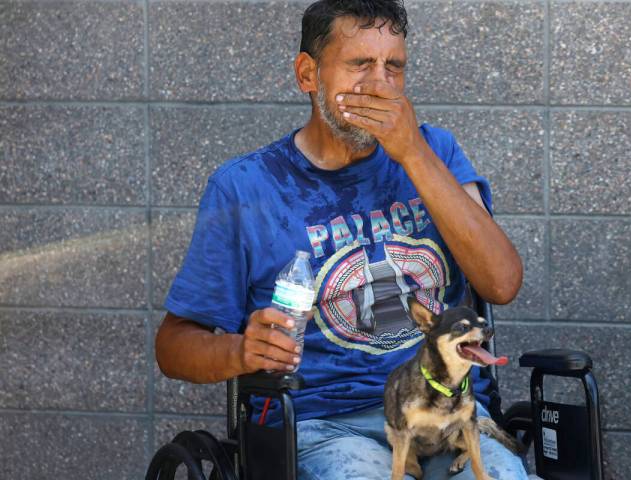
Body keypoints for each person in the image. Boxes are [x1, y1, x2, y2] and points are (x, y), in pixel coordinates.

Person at [155, 0, 526, 478]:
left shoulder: (437, 151)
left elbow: (502, 284)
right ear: (308, 74)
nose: (379, 85)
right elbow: (173, 345)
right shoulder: (245, 187)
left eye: (394, 67)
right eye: (359, 65)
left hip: (448, 414)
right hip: (327, 425)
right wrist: (239, 352)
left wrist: (413, 153)